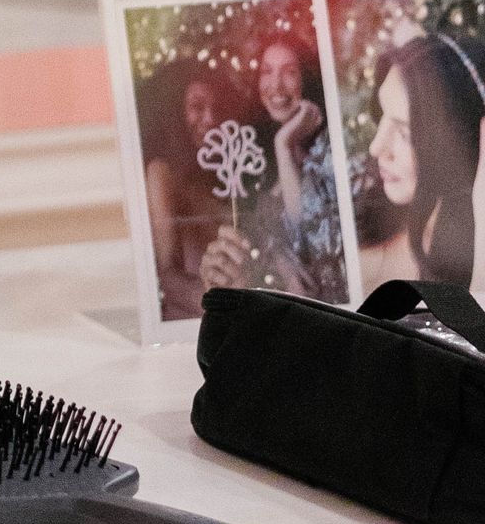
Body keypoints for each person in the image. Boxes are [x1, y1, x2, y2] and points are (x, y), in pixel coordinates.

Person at [200, 32, 345, 302]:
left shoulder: (329, 154)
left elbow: (305, 240)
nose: (276, 85)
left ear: (307, 79)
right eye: (267, 72)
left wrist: (284, 143)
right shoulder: (252, 158)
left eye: (289, 72)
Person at [355, 28, 485, 291]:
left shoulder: (482, 255)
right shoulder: (359, 203)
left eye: (404, 133)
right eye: (382, 114)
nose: (376, 148)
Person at [144, 62, 240, 319]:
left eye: (216, 109)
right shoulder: (162, 173)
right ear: (177, 112)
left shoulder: (217, 180)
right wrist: (227, 308)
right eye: (197, 107)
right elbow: (166, 275)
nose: (210, 119)